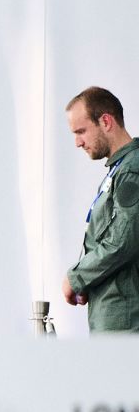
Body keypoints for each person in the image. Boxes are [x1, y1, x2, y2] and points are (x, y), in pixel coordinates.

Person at [63, 86, 139, 332]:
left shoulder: (131, 170)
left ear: (106, 121)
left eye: (81, 131)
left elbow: (122, 241)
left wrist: (76, 278)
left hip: (125, 326)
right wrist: (89, 282)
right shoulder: (120, 170)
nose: (77, 142)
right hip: (114, 319)